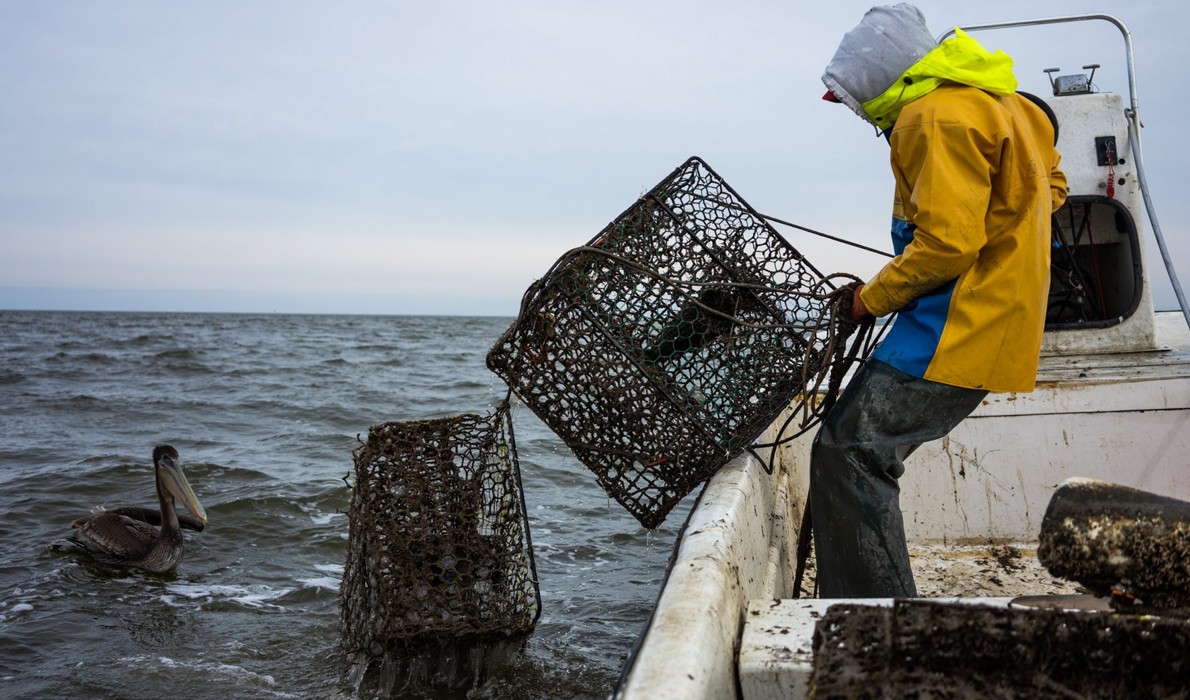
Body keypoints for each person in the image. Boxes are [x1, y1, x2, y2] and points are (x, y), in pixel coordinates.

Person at [812, 3, 1068, 598]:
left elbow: (948, 245)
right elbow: (1052, 187)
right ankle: (870, 602)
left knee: (850, 450)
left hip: (956, 322)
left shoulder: (931, 118)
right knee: (855, 445)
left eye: (854, 99)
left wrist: (867, 301)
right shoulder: (1011, 105)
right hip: (993, 315)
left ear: (882, 78)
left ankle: (876, 615)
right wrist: (1010, 226)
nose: (857, 113)